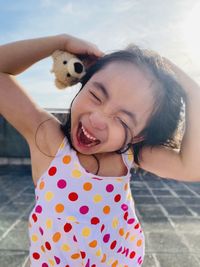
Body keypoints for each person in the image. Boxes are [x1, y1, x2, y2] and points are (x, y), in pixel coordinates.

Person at [0, 34, 200, 267]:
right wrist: (60, 43)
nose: (98, 119)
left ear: (139, 135)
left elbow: (192, 167)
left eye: (123, 120)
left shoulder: (128, 153)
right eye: (96, 95)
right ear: (82, 82)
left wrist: (192, 93)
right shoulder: (49, 141)